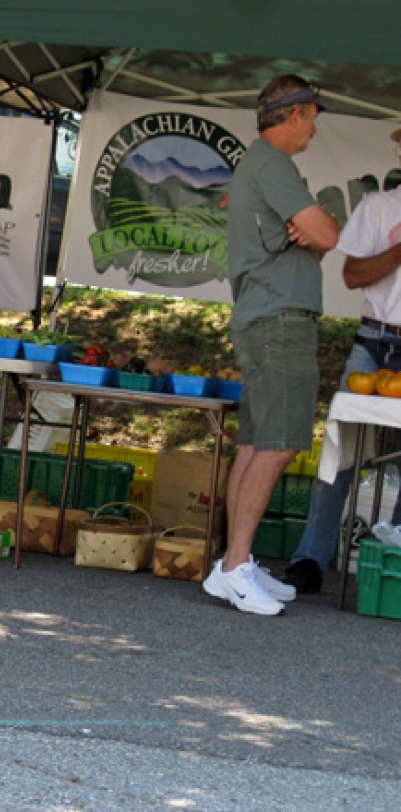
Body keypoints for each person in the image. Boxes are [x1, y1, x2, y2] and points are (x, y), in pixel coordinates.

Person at [204, 74, 340, 615]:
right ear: (294, 116)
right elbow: (327, 235)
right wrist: (316, 226)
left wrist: (315, 229)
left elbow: (318, 236)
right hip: (280, 319)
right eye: (312, 120)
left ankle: (231, 565)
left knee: (257, 444)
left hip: (265, 316)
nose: (312, 132)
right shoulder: (275, 165)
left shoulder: (258, 167)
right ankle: (236, 565)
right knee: (280, 444)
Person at [282, 128, 401, 594]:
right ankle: (310, 558)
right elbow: (352, 276)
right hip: (375, 340)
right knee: (341, 452)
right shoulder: (379, 206)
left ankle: (391, 560)